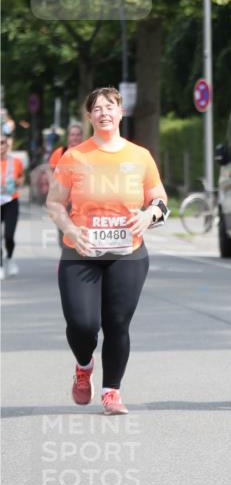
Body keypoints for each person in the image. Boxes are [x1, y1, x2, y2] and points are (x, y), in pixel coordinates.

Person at [46, 87, 168, 416]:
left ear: (120, 112)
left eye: (110, 107)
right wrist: (70, 229)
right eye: (97, 108)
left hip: (127, 252)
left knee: (117, 324)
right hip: (80, 251)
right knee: (83, 325)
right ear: (89, 117)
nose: (104, 113)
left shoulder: (139, 156)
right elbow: (54, 203)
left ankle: (111, 391)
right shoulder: (74, 157)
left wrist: (149, 214)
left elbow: (160, 199)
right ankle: (84, 365)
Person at [1, 134, 25, 280]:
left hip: (11, 201)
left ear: (7, 145)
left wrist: (19, 181)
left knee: (9, 236)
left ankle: (9, 258)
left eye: (2, 142)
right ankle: (0, 266)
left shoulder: (16, 162)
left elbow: (21, 177)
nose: (0, 146)